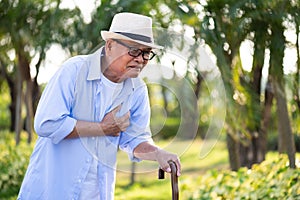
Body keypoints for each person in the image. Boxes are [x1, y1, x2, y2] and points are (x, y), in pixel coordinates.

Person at [18, 12, 181, 200]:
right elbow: (46, 123)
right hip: (51, 191)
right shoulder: (74, 71)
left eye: (146, 53)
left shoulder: (137, 90)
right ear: (110, 45)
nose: (141, 59)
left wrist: (158, 154)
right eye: (135, 50)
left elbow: (134, 139)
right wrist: (103, 128)